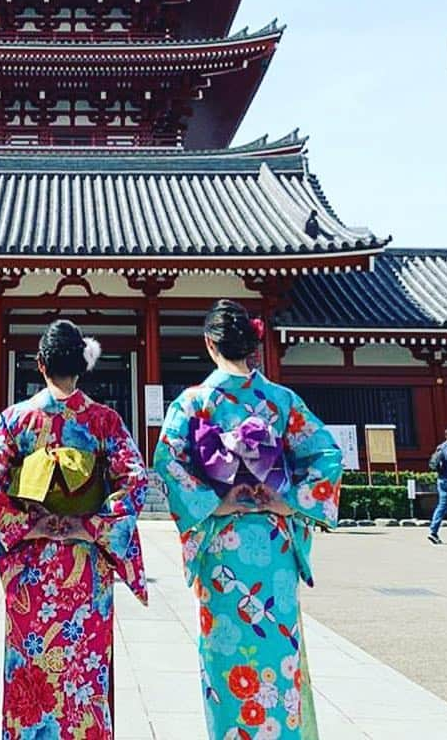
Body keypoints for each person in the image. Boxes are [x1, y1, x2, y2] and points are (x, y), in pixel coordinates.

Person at [154, 299, 342, 740]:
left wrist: (215, 503)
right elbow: (327, 455)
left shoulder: (194, 402)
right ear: (253, 344)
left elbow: (167, 460)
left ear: (209, 344)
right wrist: (287, 500)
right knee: (277, 652)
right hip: (273, 546)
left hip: (222, 546)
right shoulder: (281, 401)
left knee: (227, 656)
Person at [0, 318, 148, 739]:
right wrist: (88, 526)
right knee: (82, 665)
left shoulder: (16, 420)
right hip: (84, 564)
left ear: (39, 364)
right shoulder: (104, 422)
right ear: (82, 366)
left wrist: (28, 525)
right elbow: (134, 479)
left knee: (32, 663)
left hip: (32, 567)